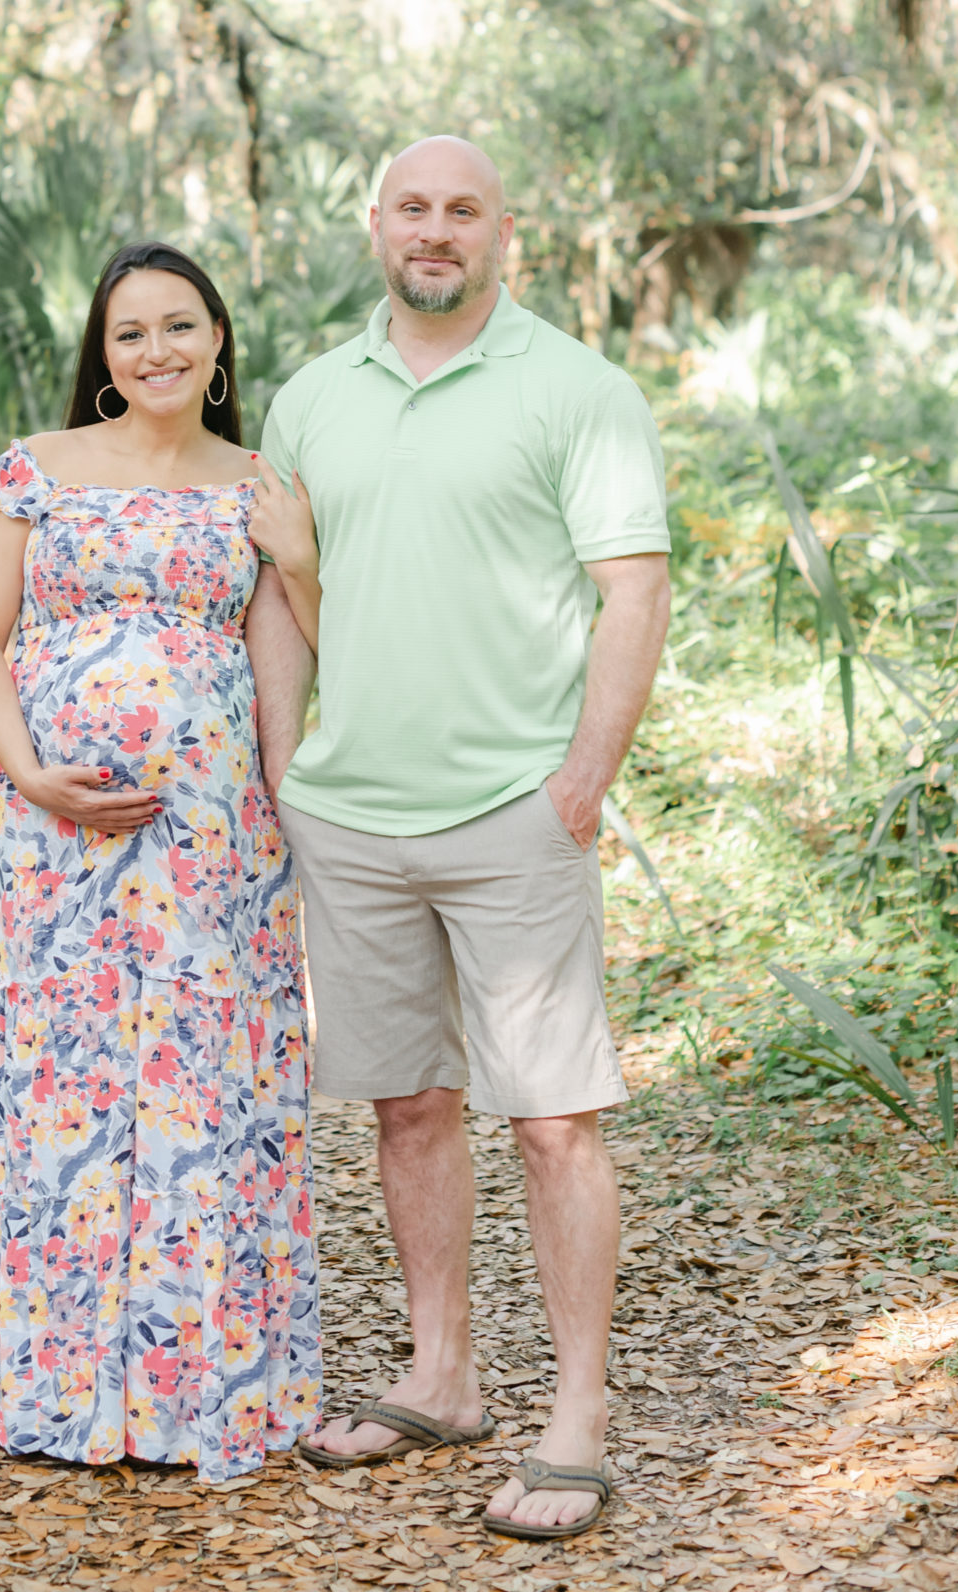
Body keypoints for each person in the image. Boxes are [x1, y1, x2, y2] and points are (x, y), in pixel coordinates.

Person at [250, 136, 670, 1543]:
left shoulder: (578, 392)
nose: (436, 231)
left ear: (506, 233)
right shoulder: (313, 395)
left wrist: (583, 774)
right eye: (413, 209)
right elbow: (281, 593)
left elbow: (629, 594)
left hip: (512, 810)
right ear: (375, 225)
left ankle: (578, 1415)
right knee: (408, 1106)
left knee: (552, 1118)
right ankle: (442, 1376)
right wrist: (282, 770)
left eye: (462, 211)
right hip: (351, 813)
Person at [0, 242, 322, 1482]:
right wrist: (26, 771)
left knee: (202, 1086)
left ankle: (192, 1391)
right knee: (68, 1088)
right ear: (100, 356)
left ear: (217, 339)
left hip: (211, 844)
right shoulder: (35, 472)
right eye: (128, 333)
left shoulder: (259, 486)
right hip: (60, 843)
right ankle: (54, 1386)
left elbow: (286, 656)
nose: (154, 350)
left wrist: (276, 806)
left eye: (178, 326)